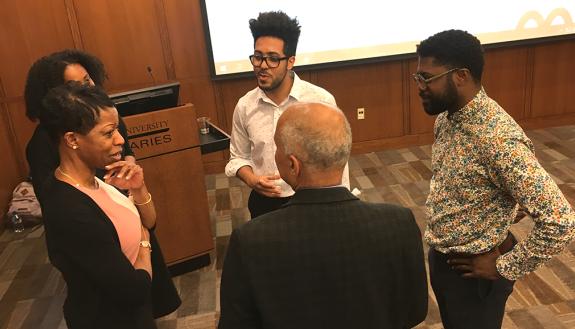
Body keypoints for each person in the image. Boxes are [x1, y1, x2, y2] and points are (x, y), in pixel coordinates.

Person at [415, 29, 575, 329]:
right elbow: (474, 188)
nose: (420, 87)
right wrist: (501, 211)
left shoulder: (498, 139)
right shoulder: (447, 118)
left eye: (427, 78)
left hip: (476, 273)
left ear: (460, 75)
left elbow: (560, 220)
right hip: (447, 262)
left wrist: (505, 266)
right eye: (417, 78)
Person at [218, 102, 428, 329]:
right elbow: (415, 311)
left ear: (292, 165)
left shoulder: (250, 240)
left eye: (276, 147)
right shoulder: (400, 223)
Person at [39, 82, 180, 329]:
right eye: (108, 133)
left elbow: (149, 222)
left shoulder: (100, 178)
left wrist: (138, 188)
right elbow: (133, 289)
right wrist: (145, 245)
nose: (120, 139)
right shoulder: (69, 209)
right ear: (72, 139)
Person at [224, 11, 350, 218]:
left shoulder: (320, 101)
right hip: (264, 202)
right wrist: (251, 179)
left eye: (273, 59)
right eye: (257, 57)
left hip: (313, 201)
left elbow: (338, 163)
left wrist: (342, 207)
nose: (262, 66)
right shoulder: (245, 106)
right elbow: (238, 157)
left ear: (290, 61)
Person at [24, 49, 135, 204]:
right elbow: (50, 199)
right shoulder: (43, 141)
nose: (88, 88)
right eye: (75, 85)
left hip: (124, 199)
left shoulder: (106, 116)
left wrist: (130, 172)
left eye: (87, 80)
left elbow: (128, 152)